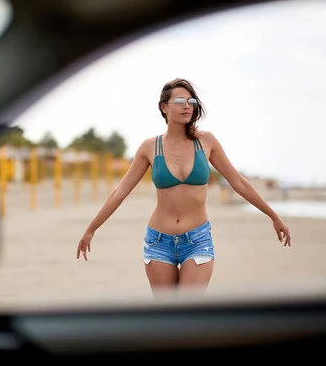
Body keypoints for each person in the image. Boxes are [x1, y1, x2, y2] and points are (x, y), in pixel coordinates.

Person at [76, 77, 291, 296]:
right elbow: (120, 191)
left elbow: (239, 182)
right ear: (164, 107)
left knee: (189, 310)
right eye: (180, 100)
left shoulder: (206, 142)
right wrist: (91, 229)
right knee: (167, 316)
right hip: (158, 240)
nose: (187, 106)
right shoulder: (150, 147)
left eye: (192, 101)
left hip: (197, 240)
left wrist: (273, 216)